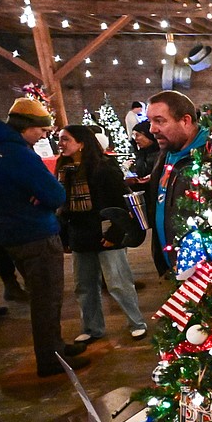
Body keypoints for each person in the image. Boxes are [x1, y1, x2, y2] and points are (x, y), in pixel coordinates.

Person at [0, 98, 90, 376]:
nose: (44, 135)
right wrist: (40, 198)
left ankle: (55, 346)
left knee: (43, 296)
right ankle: (51, 360)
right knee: (47, 299)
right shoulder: (18, 154)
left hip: (10, 234)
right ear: (25, 127)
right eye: (41, 129)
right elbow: (56, 194)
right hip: (36, 234)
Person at [55, 124, 148, 343]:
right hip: (80, 234)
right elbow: (63, 207)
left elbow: (120, 203)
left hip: (106, 232)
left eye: (66, 139)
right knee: (84, 286)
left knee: (118, 282)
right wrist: (65, 237)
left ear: (81, 143)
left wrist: (115, 234)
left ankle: (136, 322)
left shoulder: (104, 167)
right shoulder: (64, 168)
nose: (61, 144)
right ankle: (92, 328)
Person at [147, 90, 208, 276]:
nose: (152, 129)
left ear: (186, 121)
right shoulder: (167, 154)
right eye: (150, 121)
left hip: (202, 275)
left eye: (160, 121)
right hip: (173, 267)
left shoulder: (210, 158)